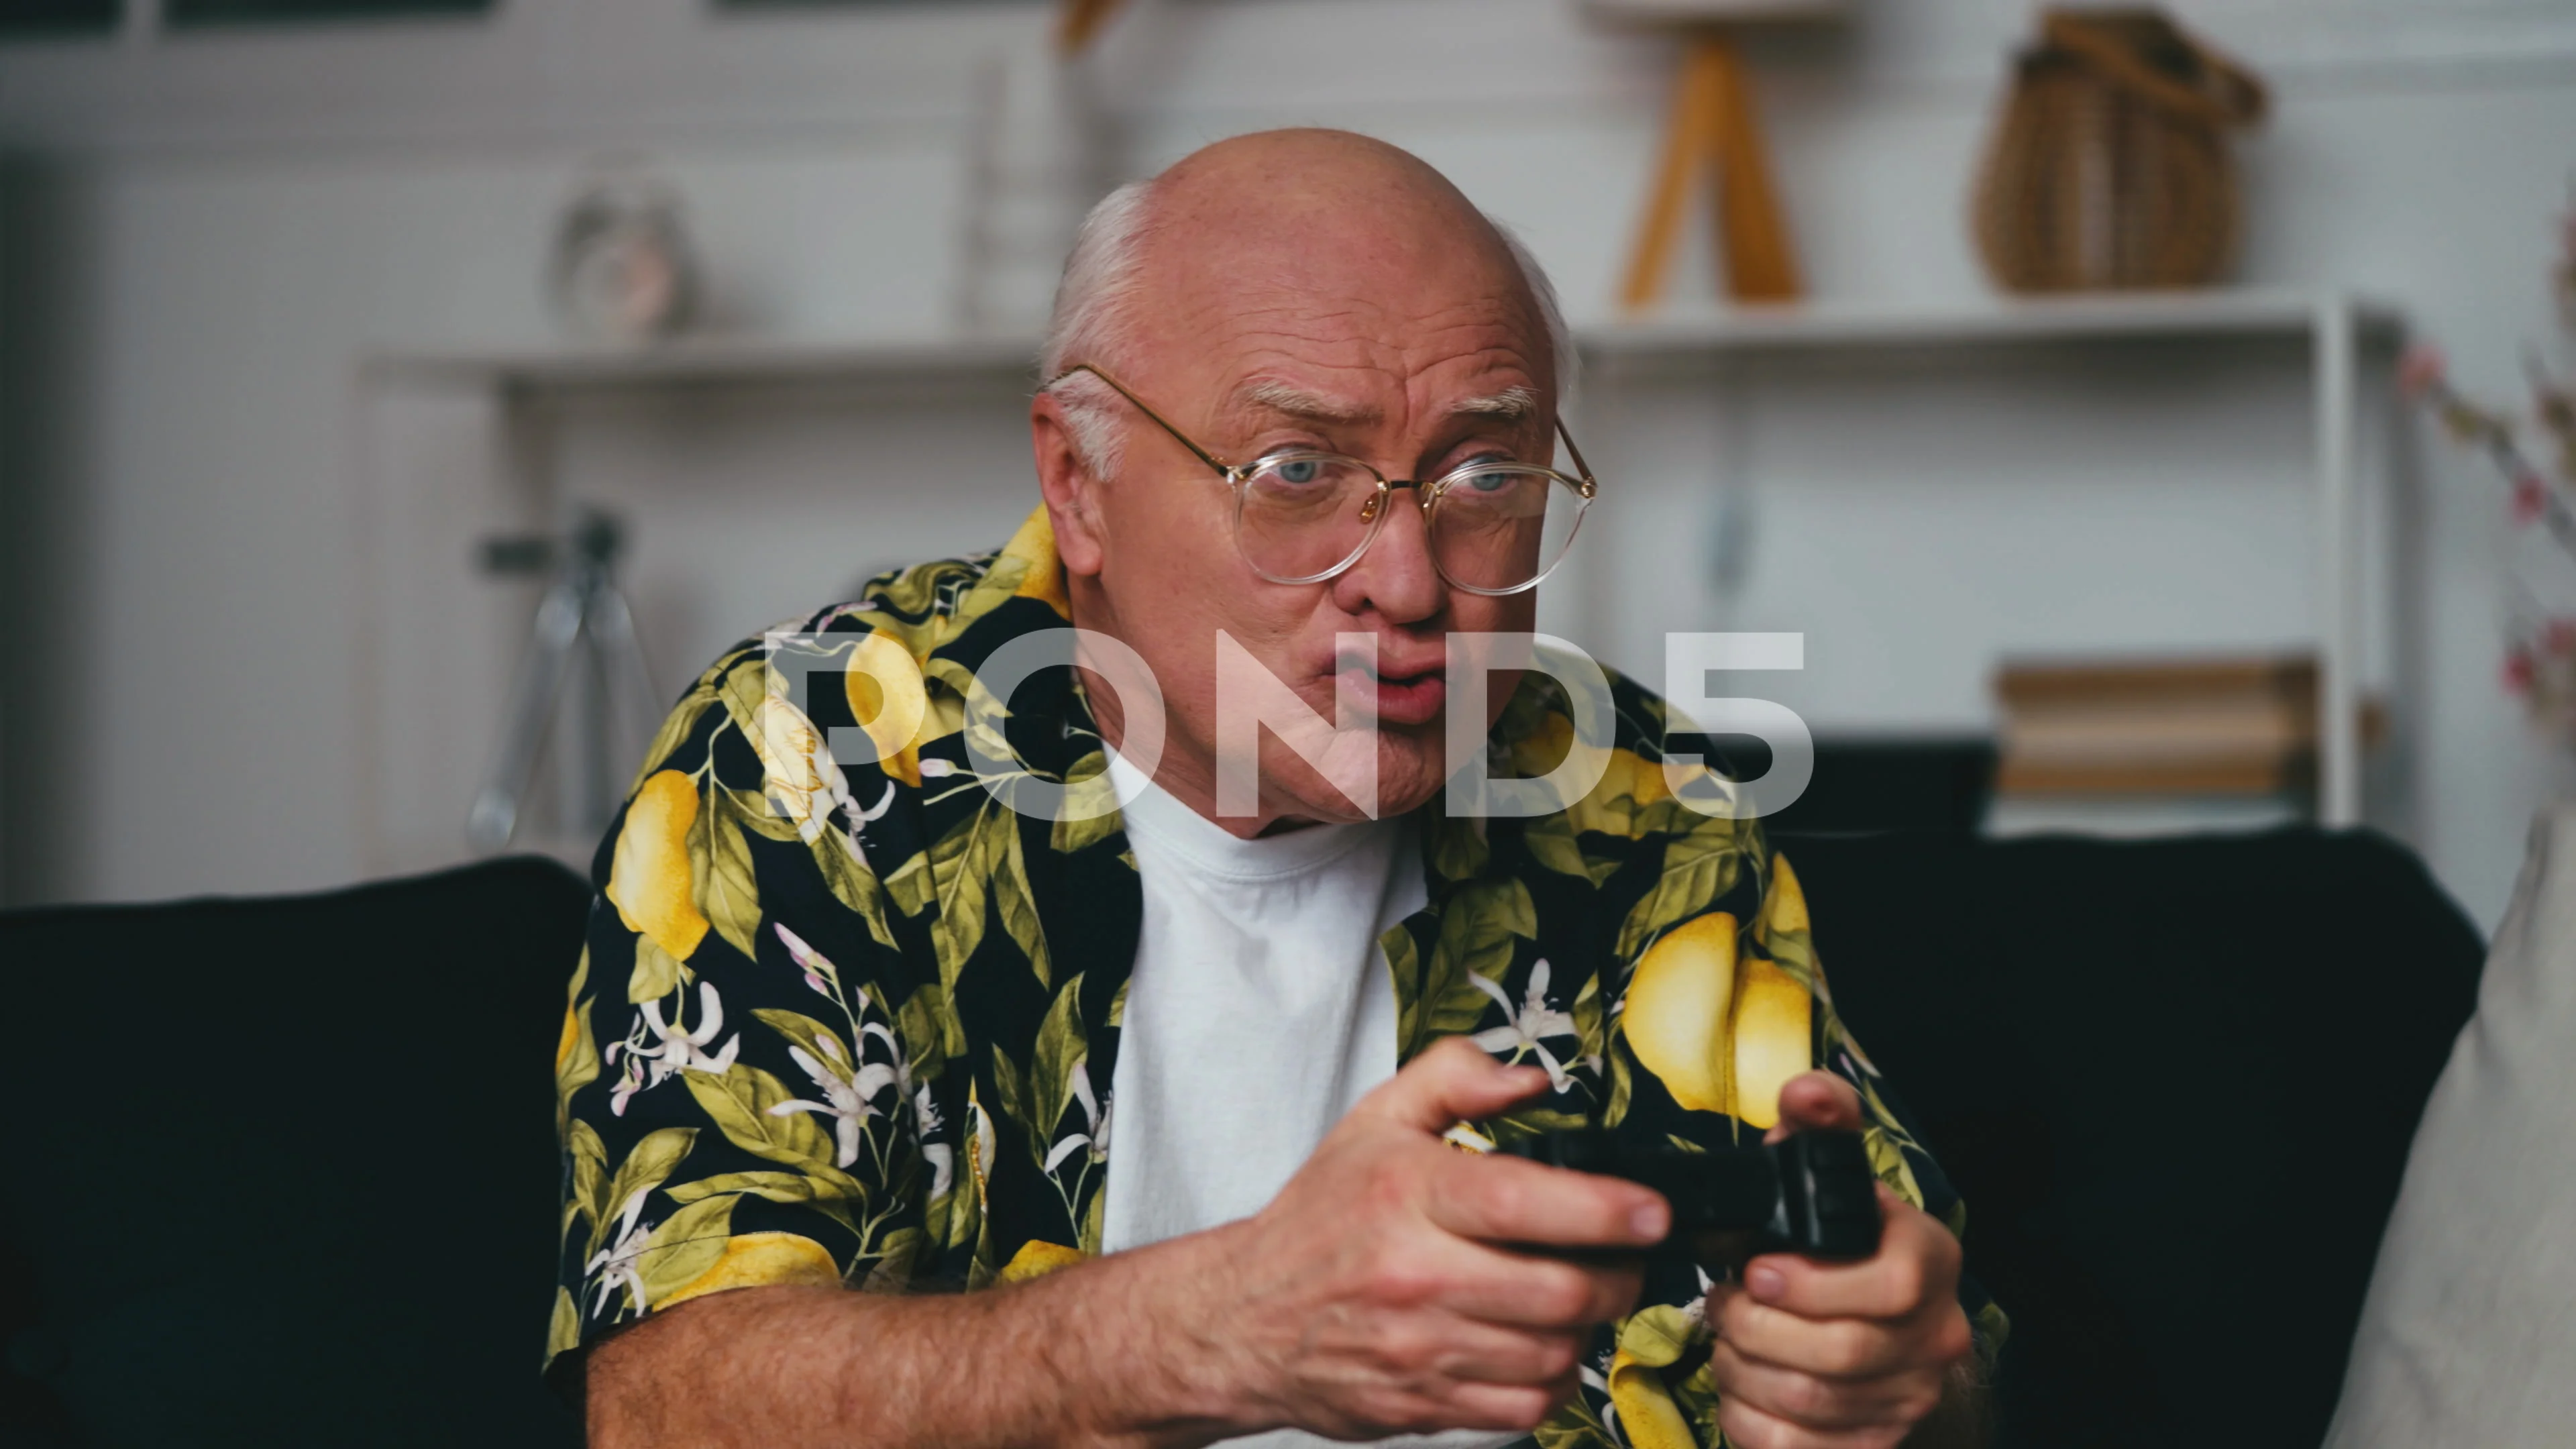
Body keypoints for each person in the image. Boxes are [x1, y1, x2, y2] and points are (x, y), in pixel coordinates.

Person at [551, 128, 2003, 1449]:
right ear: (1078, 482)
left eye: (1484, 475)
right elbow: (672, 1405)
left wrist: (1884, 1375)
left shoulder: (1640, 801)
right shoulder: (817, 758)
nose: (1410, 580)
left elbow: (1931, 1366)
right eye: (1297, 469)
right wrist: (1206, 1327)